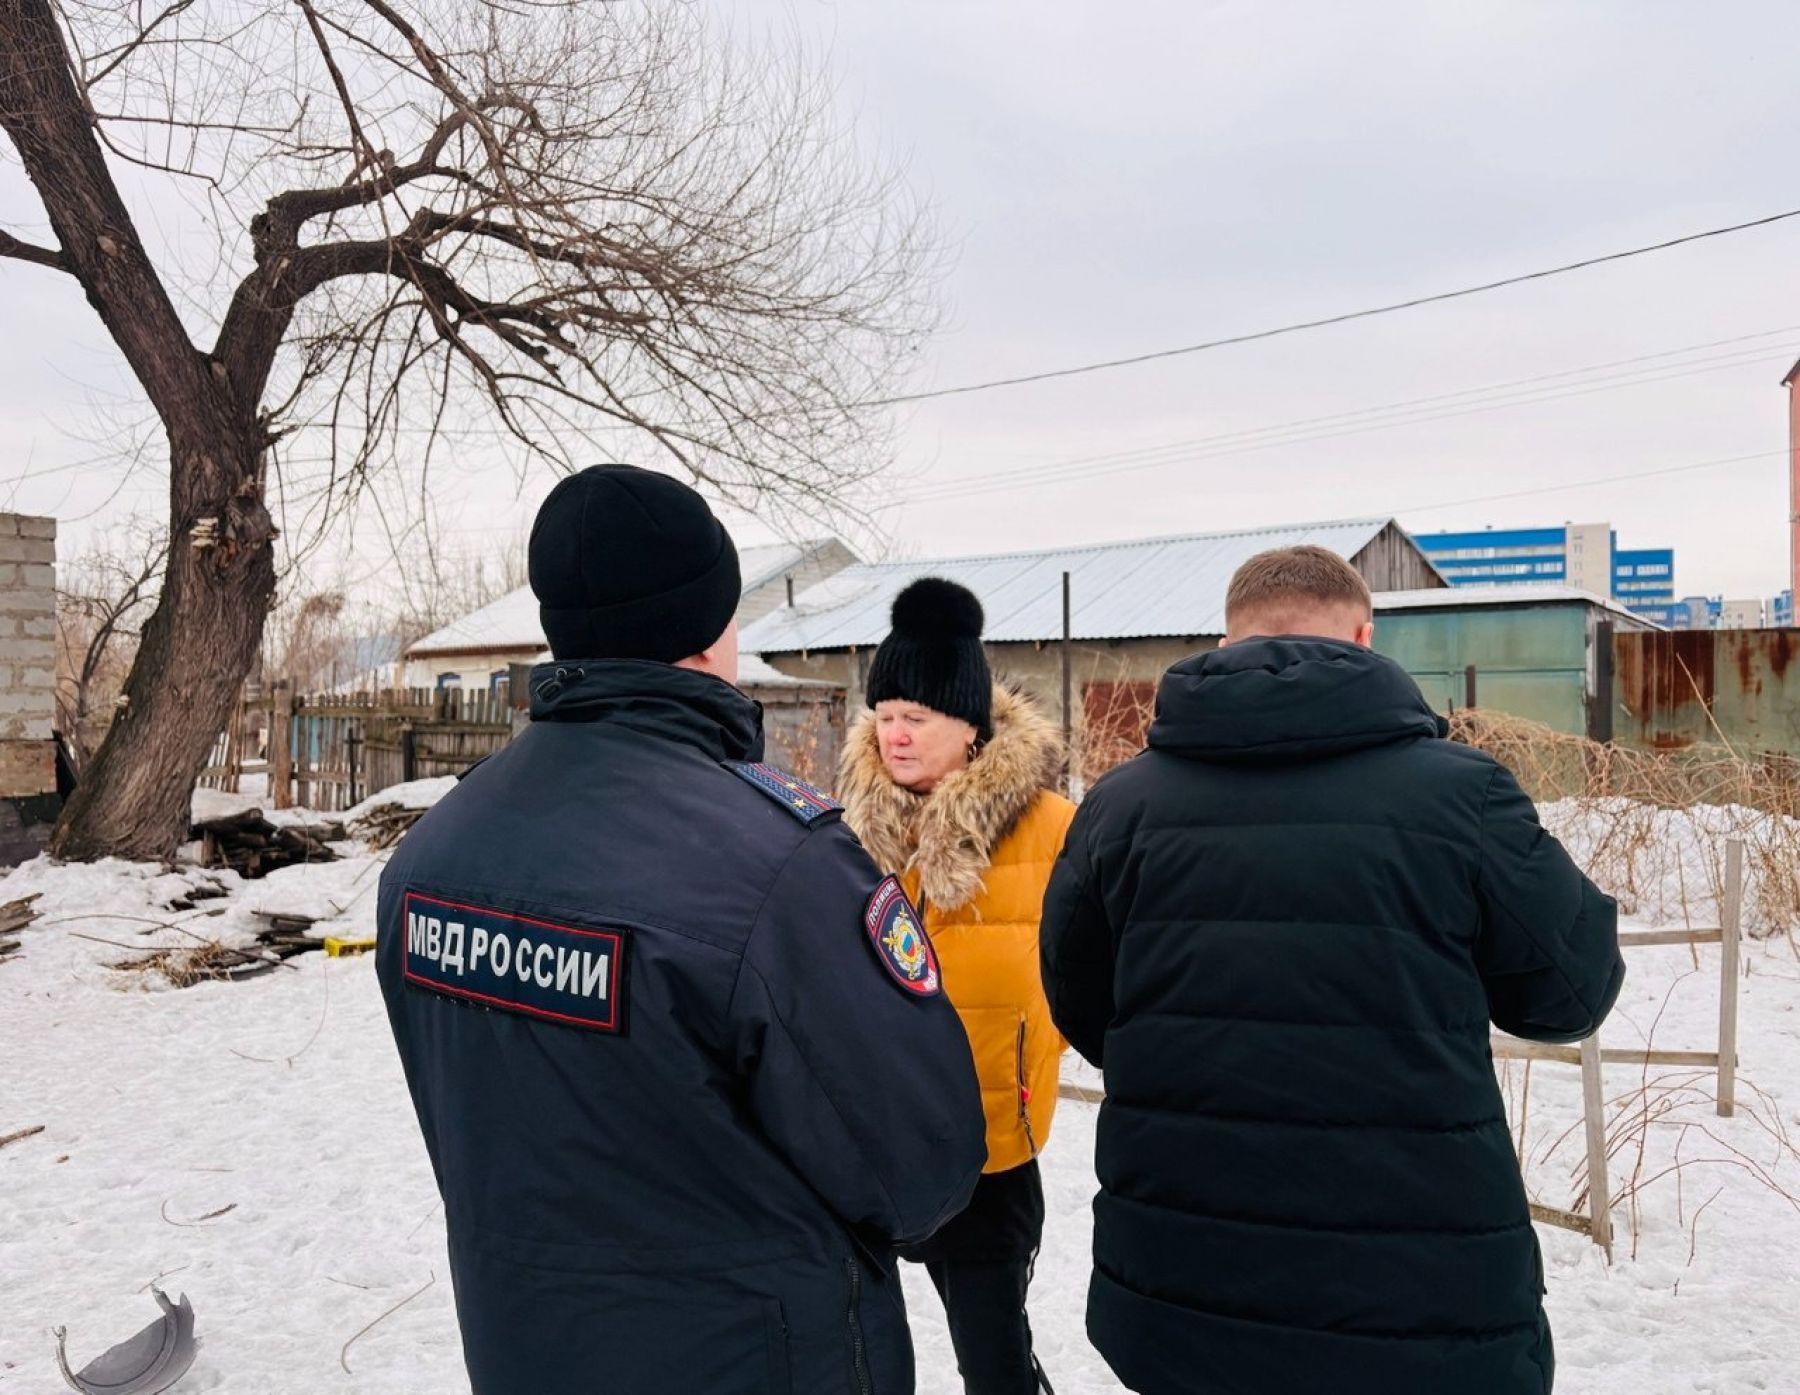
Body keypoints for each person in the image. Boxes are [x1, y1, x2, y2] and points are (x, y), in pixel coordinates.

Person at [376, 465, 986, 1395]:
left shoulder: (433, 857)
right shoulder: (780, 868)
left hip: (527, 1353)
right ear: (710, 631)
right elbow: (922, 1172)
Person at [1040, 544, 1624, 1395]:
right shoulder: (1462, 795)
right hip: (1417, 1297)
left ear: (1224, 640)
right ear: (1364, 634)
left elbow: (1082, 1004)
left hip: (1184, 1286)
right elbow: (1570, 993)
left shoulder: (1120, 807)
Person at [838, 577, 1076, 1395]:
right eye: (887, 716)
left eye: (918, 717)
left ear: (970, 727)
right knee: (862, 1346)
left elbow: (1089, 961)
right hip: (872, 1137)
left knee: (992, 1355)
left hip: (988, 1146)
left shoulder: (1051, 827)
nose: (896, 735)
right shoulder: (847, 831)